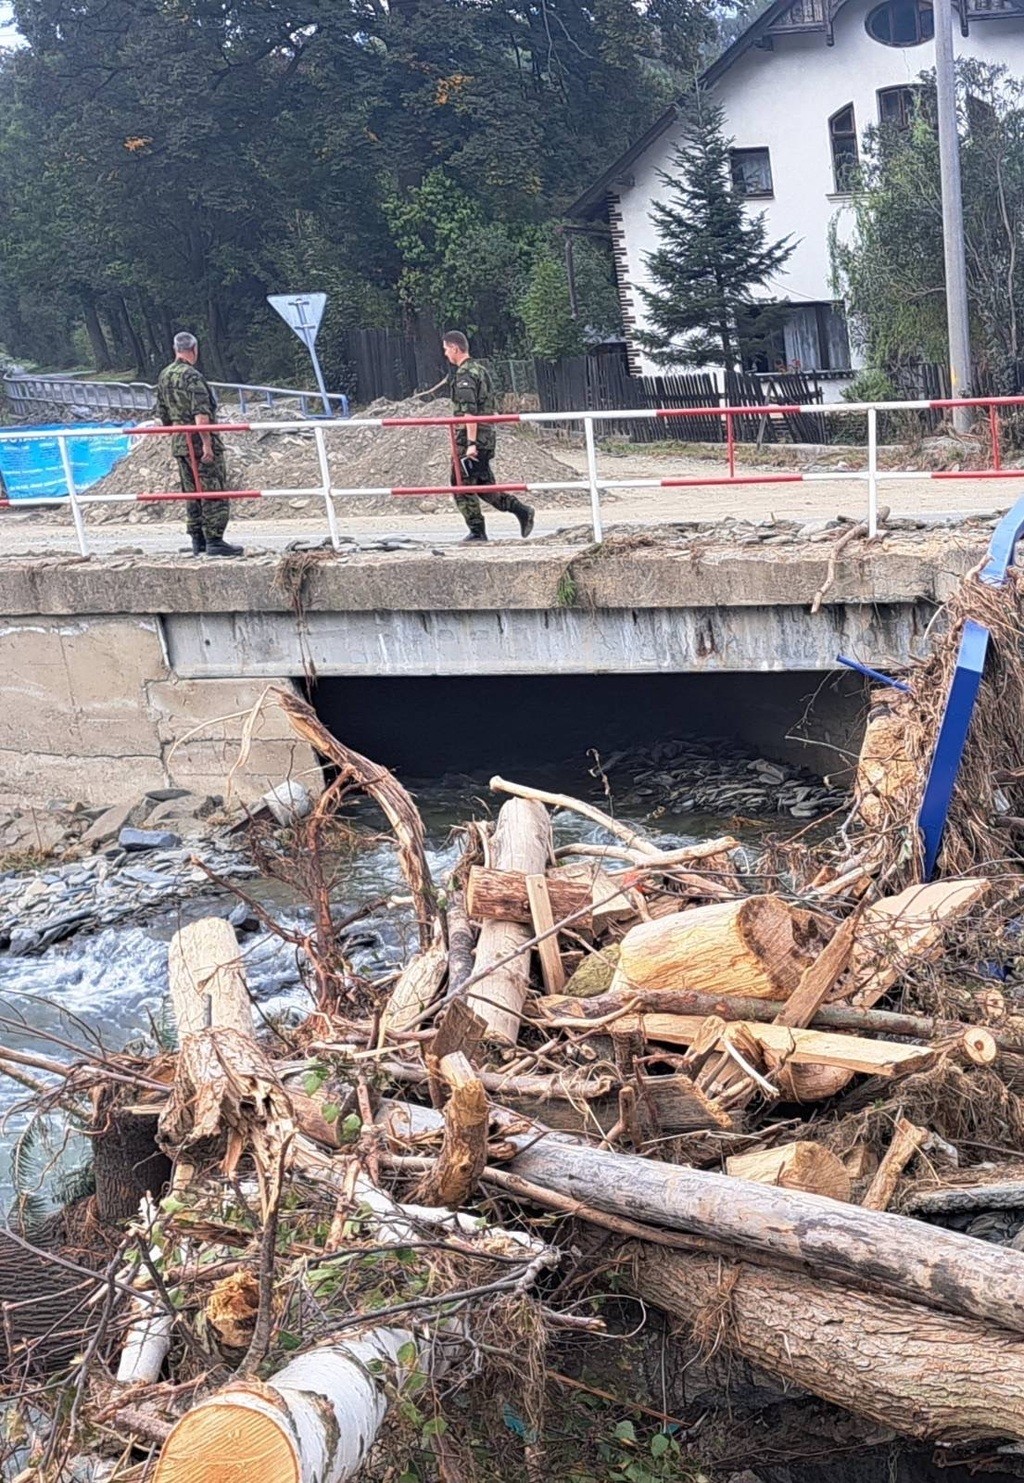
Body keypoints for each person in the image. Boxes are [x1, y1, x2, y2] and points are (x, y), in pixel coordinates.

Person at [155, 331, 242, 557]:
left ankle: (197, 540)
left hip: (179, 442)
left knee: (191, 492)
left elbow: (163, 416)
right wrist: (207, 445)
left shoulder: (164, 375)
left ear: (175, 349)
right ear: (194, 349)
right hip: (198, 441)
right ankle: (214, 539)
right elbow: (201, 415)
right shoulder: (192, 377)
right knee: (213, 490)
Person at [442, 331, 534, 543]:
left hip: (471, 438)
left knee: (460, 484)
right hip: (485, 436)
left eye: (446, 349)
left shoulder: (465, 375)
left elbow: (469, 413)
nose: (446, 354)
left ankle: (477, 531)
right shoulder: (480, 370)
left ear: (455, 348)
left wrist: (471, 444)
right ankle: (521, 510)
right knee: (483, 485)